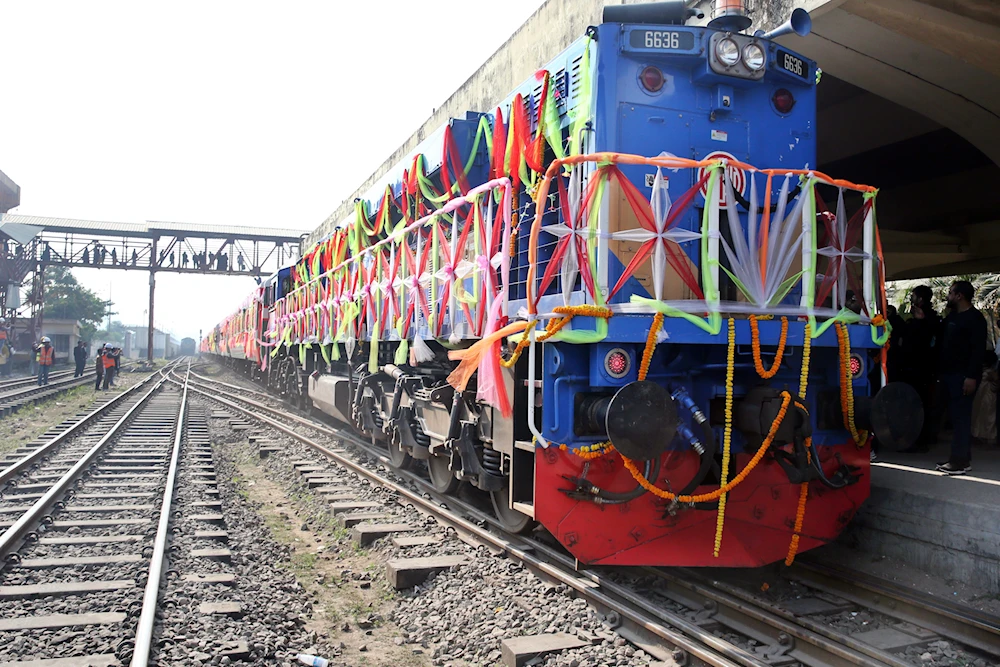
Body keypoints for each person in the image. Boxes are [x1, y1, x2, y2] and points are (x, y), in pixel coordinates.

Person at [935, 280, 987, 475]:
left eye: (950, 293)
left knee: (961, 417)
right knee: (954, 417)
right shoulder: (952, 318)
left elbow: (977, 351)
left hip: (963, 376)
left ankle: (960, 461)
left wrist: (971, 376)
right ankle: (960, 456)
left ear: (960, 296)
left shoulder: (975, 319)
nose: (947, 296)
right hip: (948, 374)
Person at [900, 285, 941, 452]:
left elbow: (929, 339)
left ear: (921, 299)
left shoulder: (930, 319)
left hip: (922, 368)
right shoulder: (913, 318)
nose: (912, 299)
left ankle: (920, 439)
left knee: (920, 404)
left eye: (914, 296)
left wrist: (921, 321)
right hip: (910, 367)